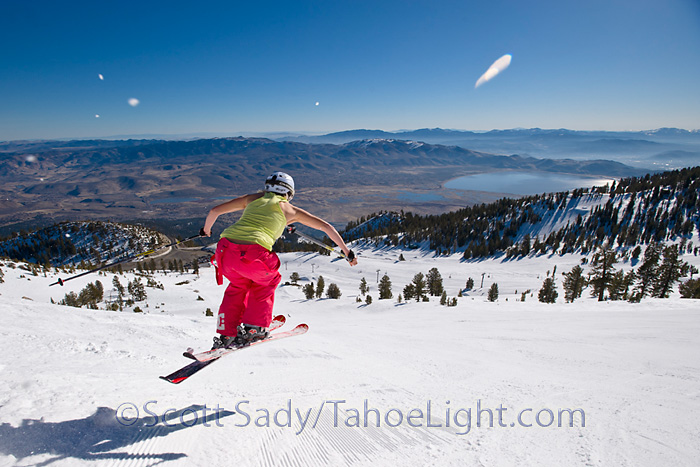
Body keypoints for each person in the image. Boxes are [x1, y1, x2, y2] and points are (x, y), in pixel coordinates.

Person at [201, 172, 357, 349]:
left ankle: (226, 333)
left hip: (225, 252)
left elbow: (215, 211)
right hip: (253, 253)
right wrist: (347, 252)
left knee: (238, 286)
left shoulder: (253, 198)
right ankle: (254, 328)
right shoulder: (290, 210)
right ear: (289, 193)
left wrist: (206, 230)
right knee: (268, 280)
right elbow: (326, 227)